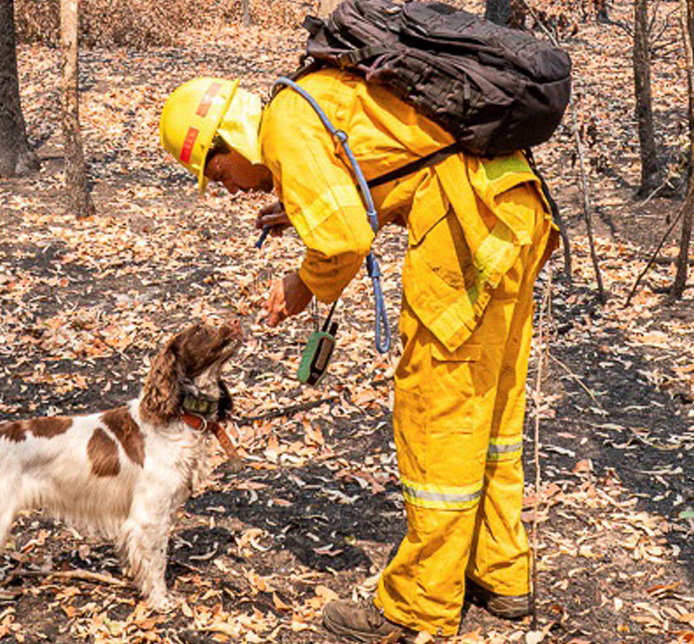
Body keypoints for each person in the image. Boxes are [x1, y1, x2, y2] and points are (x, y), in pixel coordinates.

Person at [159, 71, 558, 641]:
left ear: (232, 138)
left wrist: (302, 285)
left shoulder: (285, 128)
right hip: (512, 211)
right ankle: (500, 571)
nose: (230, 189)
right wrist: (297, 212)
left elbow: (344, 239)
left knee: (435, 417)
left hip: (468, 234)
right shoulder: (306, 103)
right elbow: (387, 168)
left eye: (219, 172)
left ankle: (419, 604)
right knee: (489, 408)